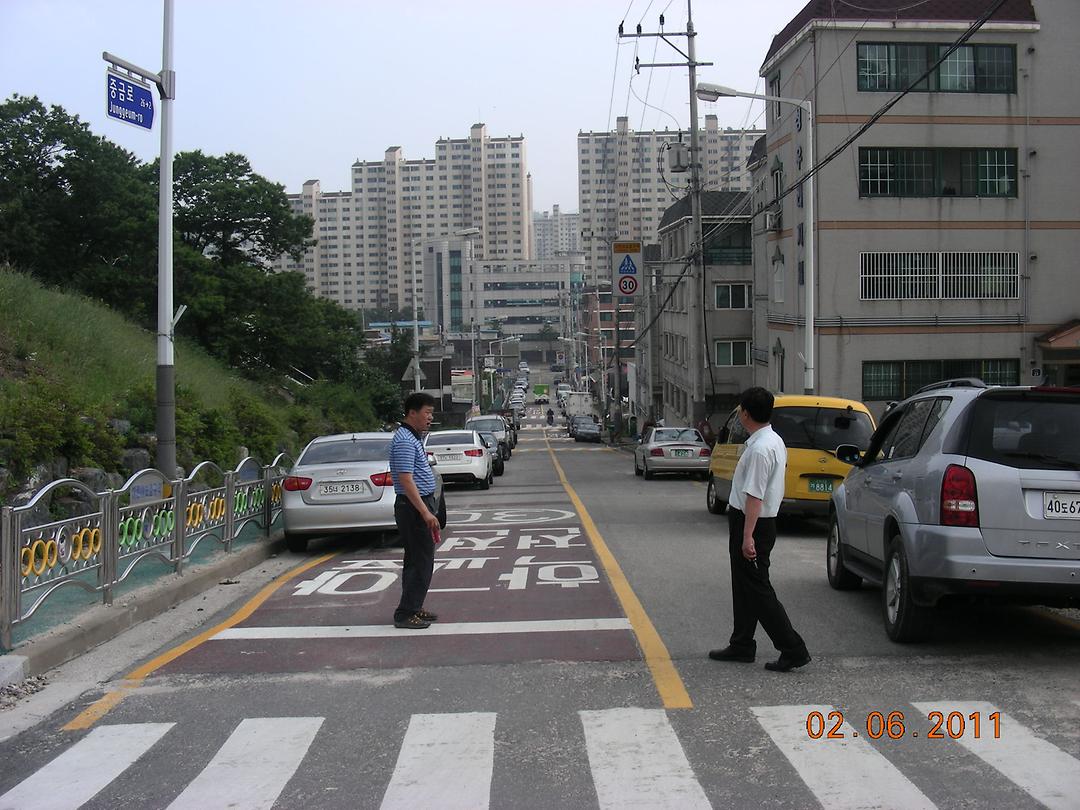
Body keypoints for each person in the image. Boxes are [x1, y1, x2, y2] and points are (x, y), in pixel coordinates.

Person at [709, 387, 811, 672]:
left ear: (744, 413)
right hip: (757, 522)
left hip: (753, 522)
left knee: (758, 589)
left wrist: (747, 536)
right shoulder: (771, 440)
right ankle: (742, 643)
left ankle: (793, 648)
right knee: (744, 586)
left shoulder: (760, 449)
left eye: (741, 409)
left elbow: (755, 496)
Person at [388, 392, 441, 630]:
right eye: (427, 412)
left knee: (418, 559)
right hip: (413, 508)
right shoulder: (404, 441)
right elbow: (406, 480)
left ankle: (414, 606)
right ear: (412, 413)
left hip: (418, 505)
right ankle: (405, 613)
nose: (430, 417)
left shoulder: (413, 437)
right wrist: (425, 512)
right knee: (420, 560)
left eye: (431, 413)